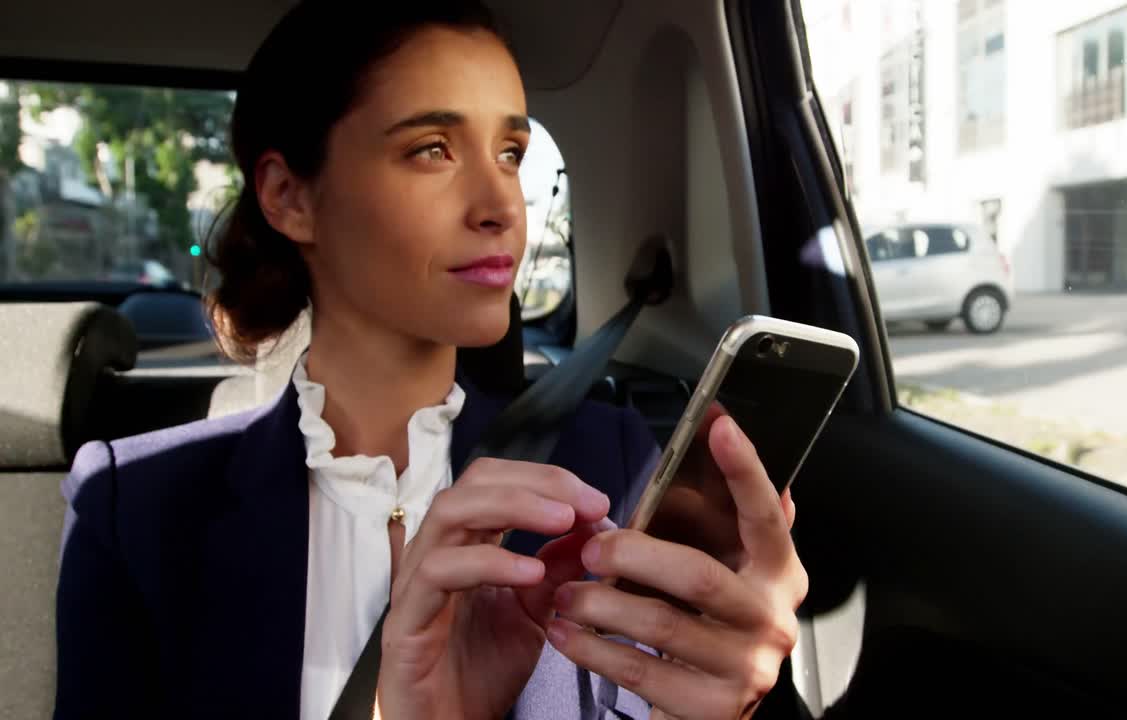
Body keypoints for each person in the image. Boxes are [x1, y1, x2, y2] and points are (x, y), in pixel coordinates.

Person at [53, 2, 808, 718]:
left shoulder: (612, 465)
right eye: (432, 149)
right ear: (290, 197)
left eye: (511, 152)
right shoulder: (137, 507)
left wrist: (730, 698)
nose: (501, 205)